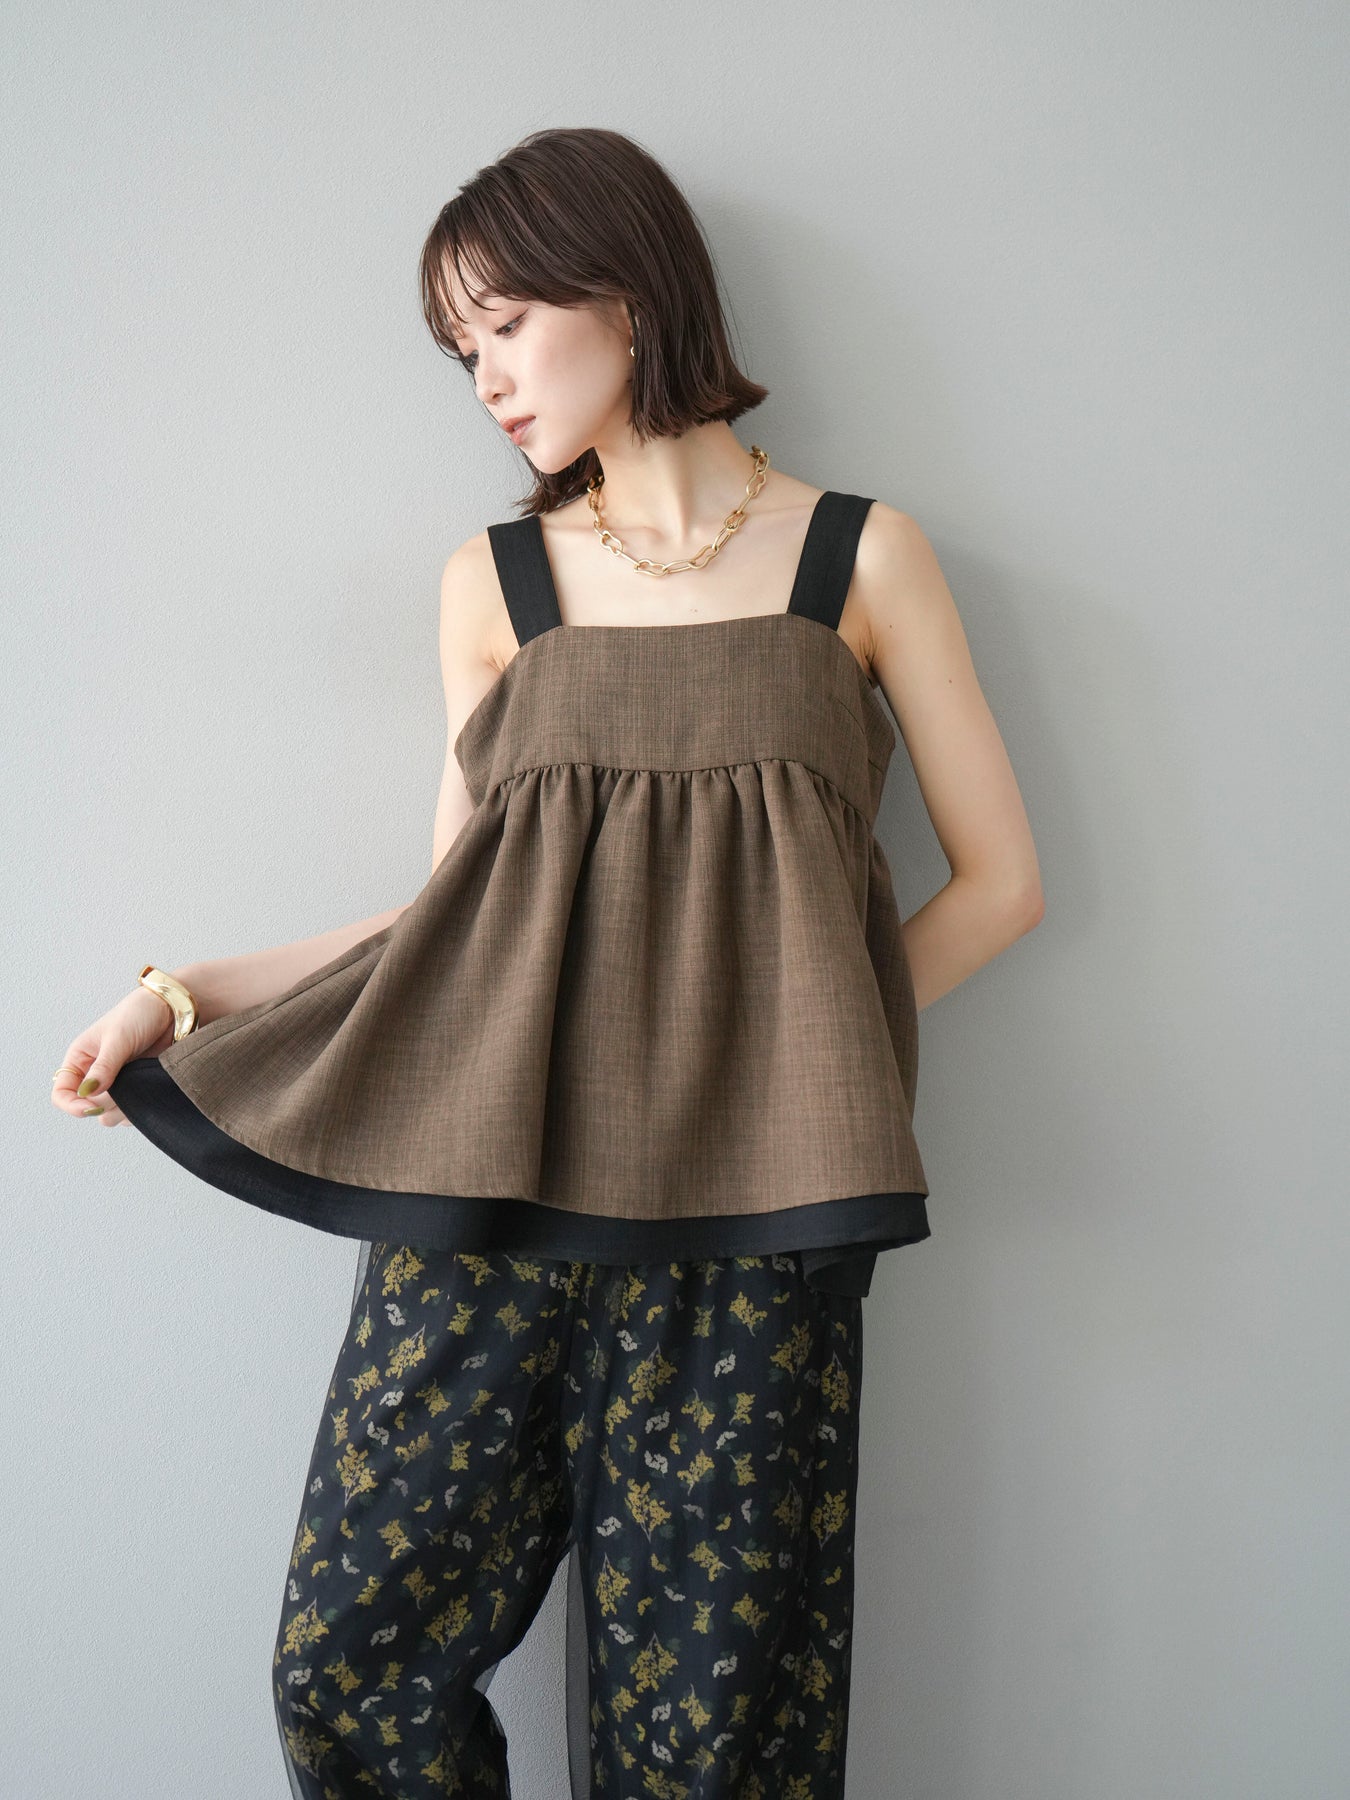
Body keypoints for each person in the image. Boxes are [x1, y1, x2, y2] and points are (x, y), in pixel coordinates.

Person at [53, 127, 1043, 1798]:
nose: (488, 380)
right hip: (486, 1197)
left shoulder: (859, 558)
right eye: (462, 352)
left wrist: (788, 1069)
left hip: (754, 1239)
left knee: (715, 1738)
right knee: (351, 1667)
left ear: (626, 293)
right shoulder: (494, 585)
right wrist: (188, 994)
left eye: (504, 325)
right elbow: (459, 921)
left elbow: (1001, 886)